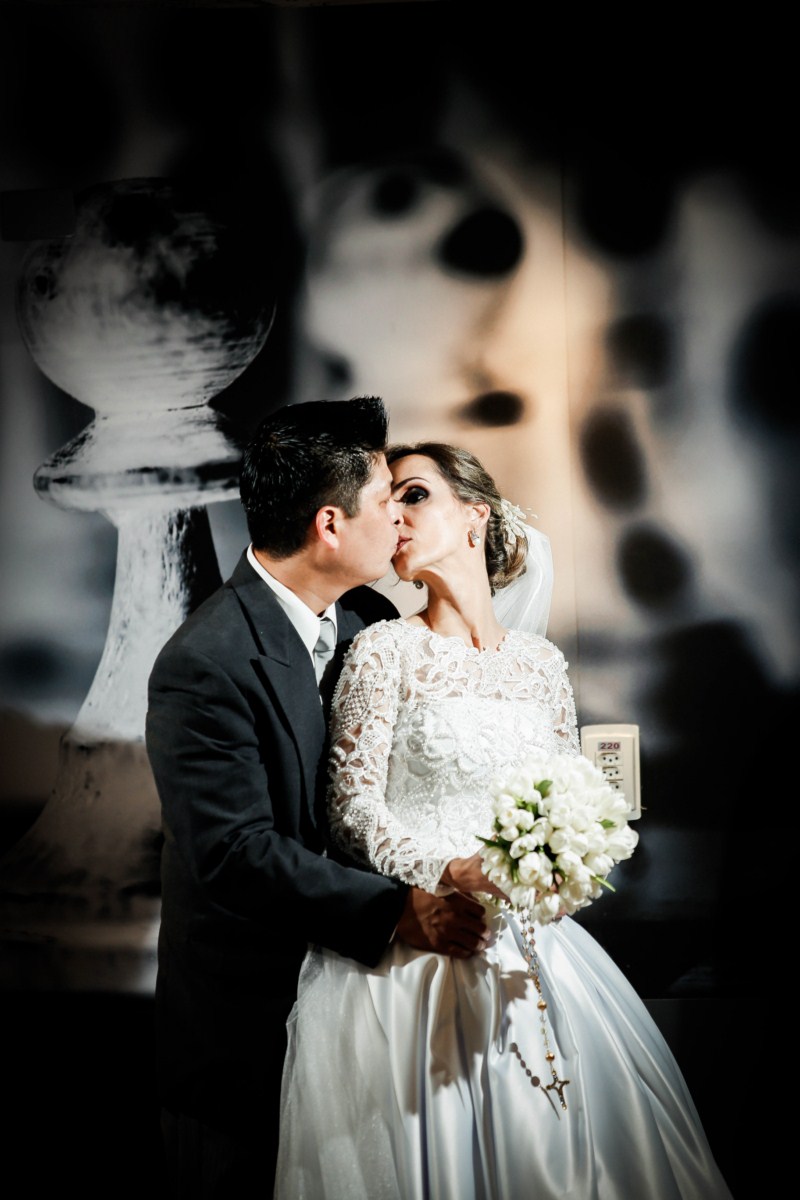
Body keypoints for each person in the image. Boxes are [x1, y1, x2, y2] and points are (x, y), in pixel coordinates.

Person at [273, 441, 734, 1200]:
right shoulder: (384, 651)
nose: (395, 516)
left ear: (475, 516)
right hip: (417, 943)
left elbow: (566, 798)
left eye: (414, 494)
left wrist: (563, 867)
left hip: (533, 946)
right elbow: (350, 812)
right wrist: (449, 871)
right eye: (387, 502)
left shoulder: (540, 665)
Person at [145, 399, 491, 1199]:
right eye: (385, 500)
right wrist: (399, 911)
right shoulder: (205, 662)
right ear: (330, 525)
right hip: (248, 1033)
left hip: (367, 1017)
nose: (398, 520)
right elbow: (236, 853)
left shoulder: (370, 618)